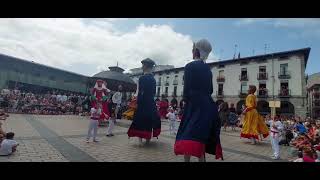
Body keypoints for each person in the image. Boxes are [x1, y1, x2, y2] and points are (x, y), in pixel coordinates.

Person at [174, 39, 223, 162]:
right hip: (207, 105)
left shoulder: (190, 66)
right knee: (200, 134)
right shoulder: (208, 70)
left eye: (193, 49)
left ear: (196, 51)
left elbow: (187, 89)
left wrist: (185, 101)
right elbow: (211, 90)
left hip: (193, 105)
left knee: (188, 133)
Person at [127, 58, 161, 146]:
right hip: (150, 102)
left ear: (146, 66)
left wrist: (137, 101)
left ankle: (140, 140)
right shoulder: (153, 79)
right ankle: (147, 139)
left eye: (143, 65)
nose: (142, 67)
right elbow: (153, 92)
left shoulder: (141, 78)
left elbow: (139, 92)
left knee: (139, 120)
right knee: (149, 120)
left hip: (142, 102)